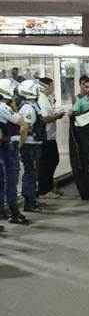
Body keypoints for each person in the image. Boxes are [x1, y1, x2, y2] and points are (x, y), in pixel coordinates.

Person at [0, 79, 30, 225]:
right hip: (6, 149)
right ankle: (14, 212)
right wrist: (20, 145)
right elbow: (23, 125)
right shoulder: (2, 107)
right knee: (10, 181)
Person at [17, 80, 46, 213]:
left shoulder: (33, 105)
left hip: (34, 144)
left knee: (33, 173)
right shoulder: (28, 108)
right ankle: (29, 202)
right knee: (30, 173)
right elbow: (25, 128)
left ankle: (32, 199)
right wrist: (20, 145)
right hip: (29, 146)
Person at [36, 78, 65, 200]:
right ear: (46, 86)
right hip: (45, 137)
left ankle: (49, 187)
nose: (53, 88)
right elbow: (44, 119)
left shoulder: (47, 99)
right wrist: (57, 116)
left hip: (51, 136)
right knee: (47, 163)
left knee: (53, 160)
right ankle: (44, 190)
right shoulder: (41, 99)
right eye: (52, 85)